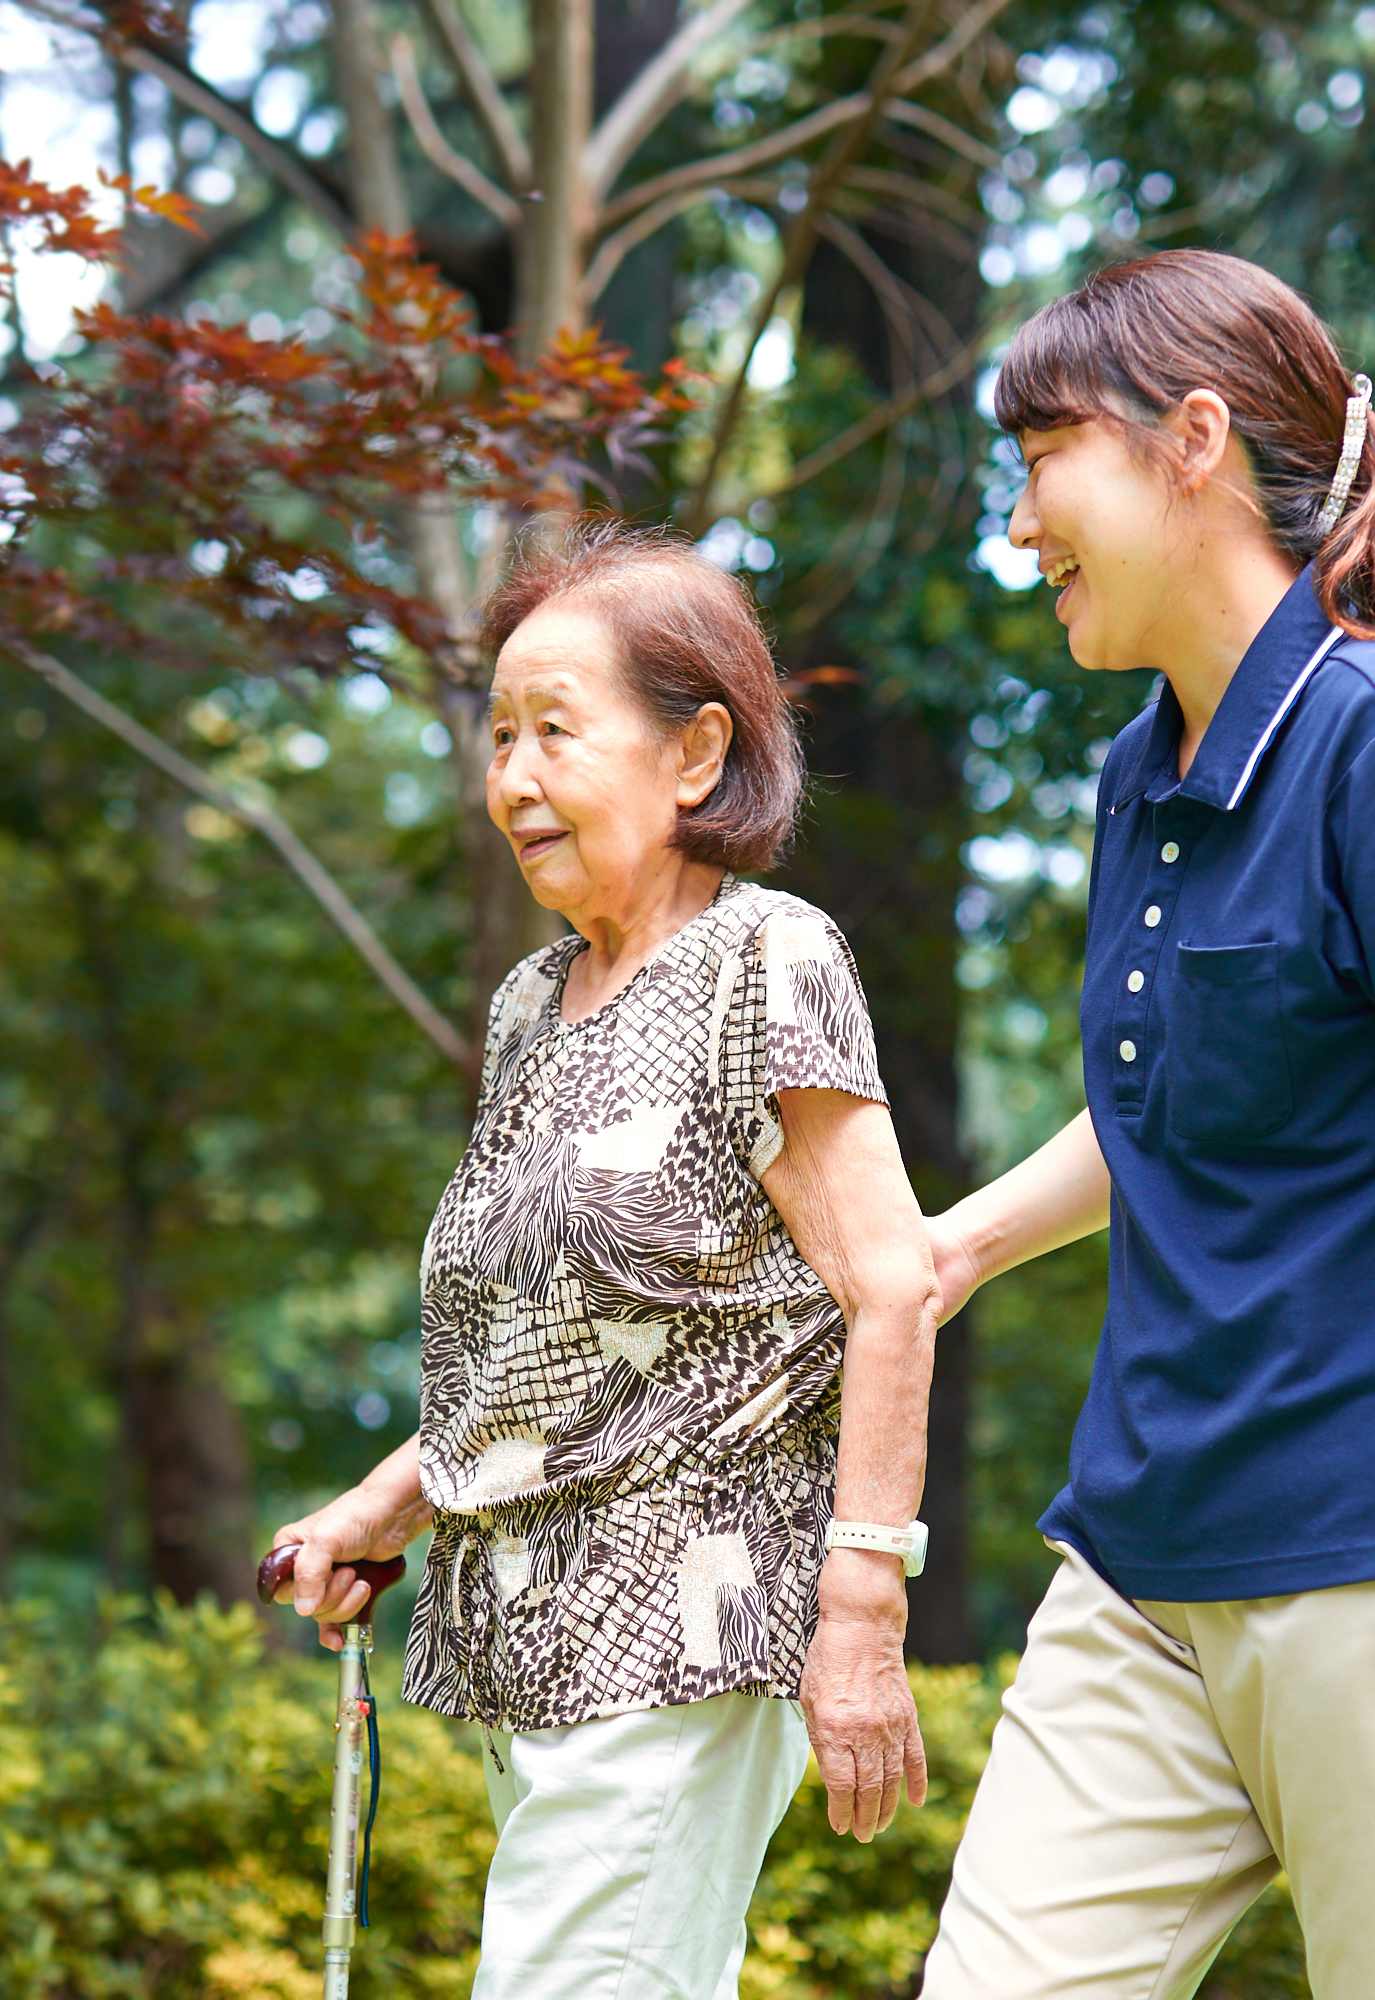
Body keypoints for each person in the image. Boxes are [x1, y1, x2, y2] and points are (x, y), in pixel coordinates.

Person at [917, 249, 1375, 2000]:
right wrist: (962, 1246)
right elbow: (1168, 1100)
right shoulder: (1142, 772)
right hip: (1142, 1565)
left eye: (1041, 458)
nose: (1018, 526)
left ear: (1193, 441)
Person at [270, 520, 942, 2000]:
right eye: (498, 735)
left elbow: (891, 1289)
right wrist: (391, 1502)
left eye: (556, 733)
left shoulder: (765, 960)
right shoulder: (536, 1003)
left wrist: (863, 1611)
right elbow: (558, 1346)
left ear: (696, 755)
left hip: (688, 1634)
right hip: (538, 1644)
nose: (511, 778)